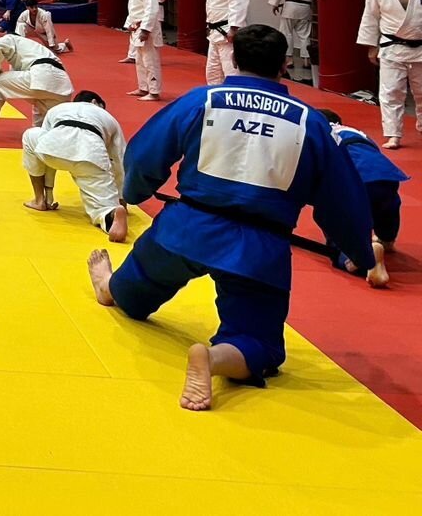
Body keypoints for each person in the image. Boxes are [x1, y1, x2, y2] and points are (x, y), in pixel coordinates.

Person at [87, 25, 381, 411]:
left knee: (136, 287)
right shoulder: (310, 123)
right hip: (258, 249)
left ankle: (112, 288)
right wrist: (359, 251)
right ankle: (214, 359)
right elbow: (342, 197)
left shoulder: (203, 100)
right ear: (284, 64)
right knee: (258, 345)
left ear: (235, 60)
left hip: (185, 230)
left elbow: (145, 154)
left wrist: (135, 193)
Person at [21, 90, 129, 241]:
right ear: (94, 102)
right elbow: (119, 159)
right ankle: (109, 216)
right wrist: (121, 199)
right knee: (103, 207)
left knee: (31, 135)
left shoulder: (59, 109)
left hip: (52, 150)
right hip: (91, 156)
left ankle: (40, 200)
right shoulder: (108, 117)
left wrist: (49, 193)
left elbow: (45, 139)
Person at [319, 110, 400, 285]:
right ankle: (386, 240)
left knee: (329, 216)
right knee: (387, 205)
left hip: (352, 178)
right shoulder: (357, 132)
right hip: (386, 175)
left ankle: (355, 258)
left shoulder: (319, 133)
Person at [358, 0, 422, 149]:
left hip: (420, 48)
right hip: (391, 48)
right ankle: (393, 135)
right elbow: (370, 17)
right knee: (390, 93)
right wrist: (371, 46)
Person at [0, 34, 75, 138]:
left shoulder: (11, 38)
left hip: (43, 75)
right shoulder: (35, 50)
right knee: (43, 119)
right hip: (63, 87)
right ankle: (44, 134)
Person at [204, 0, 250, 86]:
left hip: (227, 31)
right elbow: (213, 5)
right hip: (214, 32)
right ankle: (216, 98)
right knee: (212, 73)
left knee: (231, 72)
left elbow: (239, 3)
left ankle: (235, 98)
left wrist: (234, 28)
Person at [268, 0, 317, 79]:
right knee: (305, 35)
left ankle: (289, 60)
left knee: (286, 34)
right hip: (305, 9)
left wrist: (275, 3)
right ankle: (306, 61)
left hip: (290, 8)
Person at [126, 0, 164, 101]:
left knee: (150, 61)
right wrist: (129, 25)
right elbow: (134, 10)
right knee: (140, 61)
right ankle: (143, 88)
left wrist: (145, 30)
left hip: (146, 30)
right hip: (137, 28)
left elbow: (151, 10)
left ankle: (154, 91)